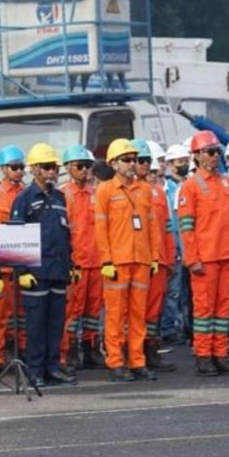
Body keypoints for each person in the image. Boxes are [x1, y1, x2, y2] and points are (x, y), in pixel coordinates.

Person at [179, 130, 229, 376]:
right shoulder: (190, 186)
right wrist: (193, 258)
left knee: (224, 309)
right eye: (210, 152)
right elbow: (186, 227)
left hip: (228, 255)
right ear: (196, 156)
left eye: (217, 151)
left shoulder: (227, 182)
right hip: (206, 259)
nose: (215, 156)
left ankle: (220, 355)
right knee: (205, 310)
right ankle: (203, 355)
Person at [95, 139, 161, 381]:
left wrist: (154, 257)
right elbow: (101, 230)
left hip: (141, 260)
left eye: (134, 159)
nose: (132, 164)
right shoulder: (105, 191)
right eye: (126, 160)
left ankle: (137, 361)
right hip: (118, 262)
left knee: (138, 314)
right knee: (115, 315)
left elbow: (152, 226)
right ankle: (115, 362)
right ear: (113, 163)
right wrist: (106, 261)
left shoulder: (143, 190)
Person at [11, 144, 75, 386]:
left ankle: (52, 367)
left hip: (58, 270)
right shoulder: (24, 199)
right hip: (35, 273)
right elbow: (15, 237)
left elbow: (65, 235)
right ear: (35, 169)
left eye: (55, 168)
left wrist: (69, 266)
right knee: (36, 325)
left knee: (55, 323)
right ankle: (35, 370)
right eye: (48, 167)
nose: (52, 172)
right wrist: (22, 271)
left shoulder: (59, 197)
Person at [134, 140, 176, 373]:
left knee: (154, 310)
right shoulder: (126, 192)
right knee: (135, 310)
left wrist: (170, 259)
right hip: (138, 259)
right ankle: (134, 352)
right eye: (139, 161)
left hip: (158, 260)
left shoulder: (158, 192)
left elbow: (167, 228)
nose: (142, 166)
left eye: (145, 161)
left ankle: (151, 350)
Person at [61, 144, 103, 371]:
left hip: (97, 261)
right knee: (73, 312)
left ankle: (92, 347)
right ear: (69, 168)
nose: (85, 170)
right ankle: (70, 351)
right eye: (80, 166)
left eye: (88, 166)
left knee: (94, 310)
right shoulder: (64, 195)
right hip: (77, 262)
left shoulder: (97, 193)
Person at [0, 145, 27, 372]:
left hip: (24, 261)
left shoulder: (27, 193)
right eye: (14, 167)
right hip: (4, 264)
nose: (18, 172)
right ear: (3, 169)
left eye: (21, 167)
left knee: (23, 313)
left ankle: (21, 350)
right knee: (1, 316)